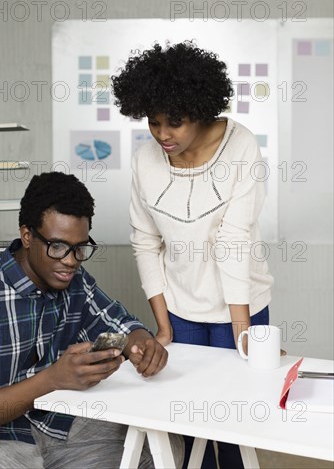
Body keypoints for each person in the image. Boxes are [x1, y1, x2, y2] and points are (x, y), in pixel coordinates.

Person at [112, 40, 273, 469]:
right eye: (154, 121)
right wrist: (163, 323)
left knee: (234, 431)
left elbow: (233, 239)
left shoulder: (240, 147)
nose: (163, 134)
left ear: (199, 109)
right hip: (181, 310)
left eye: (175, 122)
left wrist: (240, 328)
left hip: (239, 307)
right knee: (184, 430)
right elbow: (146, 241)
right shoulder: (146, 160)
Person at [0, 172, 184, 469]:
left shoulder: (74, 281)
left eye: (80, 247)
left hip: (59, 423)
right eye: (57, 247)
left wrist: (142, 344)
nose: (71, 260)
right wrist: (53, 378)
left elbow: (120, 325)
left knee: (163, 445)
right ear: (27, 236)